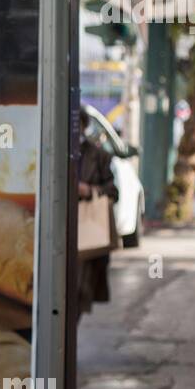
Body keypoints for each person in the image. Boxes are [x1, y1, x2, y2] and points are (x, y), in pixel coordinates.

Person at [77, 107, 119, 321]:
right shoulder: (50, 152)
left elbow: (113, 192)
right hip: (56, 232)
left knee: (78, 292)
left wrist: (89, 191)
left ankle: (67, 345)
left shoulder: (99, 156)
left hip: (85, 233)